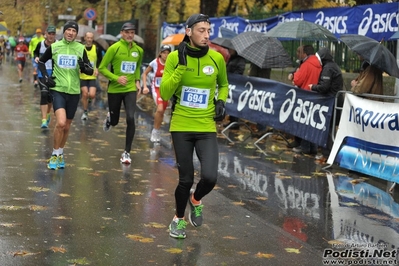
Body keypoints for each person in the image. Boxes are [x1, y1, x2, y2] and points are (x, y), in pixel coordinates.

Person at [160, 13, 229, 239]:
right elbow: (165, 92)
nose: (207, 35)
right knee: (186, 179)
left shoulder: (216, 58)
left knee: (210, 177)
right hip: (181, 125)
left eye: (209, 31)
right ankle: (178, 219)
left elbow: (224, 84)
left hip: (206, 126)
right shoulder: (173, 58)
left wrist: (221, 101)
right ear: (188, 31)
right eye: (201, 30)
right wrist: (180, 66)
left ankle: (196, 199)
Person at [38, 21, 93, 170]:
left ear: (76, 34)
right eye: (68, 30)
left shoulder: (80, 49)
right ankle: (54, 154)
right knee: (61, 122)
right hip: (58, 89)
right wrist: (46, 78)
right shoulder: (55, 47)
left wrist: (84, 67)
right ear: (64, 32)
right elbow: (41, 62)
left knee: (67, 126)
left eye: (73, 31)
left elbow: (89, 70)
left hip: (74, 92)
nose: (70, 33)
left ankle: (61, 152)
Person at [98, 22, 144, 164]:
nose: (130, 35)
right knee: (115, 121)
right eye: (127, 32)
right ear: (122, 33)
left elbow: (137, 67)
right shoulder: (114, 48)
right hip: (115, 89)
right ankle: (110, 118)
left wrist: (137, 81)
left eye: (132, 32)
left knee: (131, 117)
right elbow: (102, 68)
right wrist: (116, 78)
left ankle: (126, 153)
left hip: (130, 89)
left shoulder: (139, 51)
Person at [308, 47, 343, 161]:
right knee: (330, 128)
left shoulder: (328, 68)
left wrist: (313, 87)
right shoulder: (333, 66)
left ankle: (327, 155)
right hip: (335, 101)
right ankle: (330, 154)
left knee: (328, 129)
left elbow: (324, 86)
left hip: (332, 101)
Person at [292, 44, 322, 155]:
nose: (297, 55)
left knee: (304, 122)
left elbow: (298, 80)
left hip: (304, 95)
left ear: (304, 53)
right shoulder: (318, 64)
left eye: (299, 53)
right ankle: (313, 147)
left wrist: (295, 75)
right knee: (312, 123)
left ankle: (304, 147)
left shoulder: (306, 64)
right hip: (315, 95)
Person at [142, 44, 171, 142]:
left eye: (168, 53)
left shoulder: (172, 63)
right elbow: (145, 73)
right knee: (160, 109)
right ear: (160, 53)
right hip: (157, 88)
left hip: (166, 89)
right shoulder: (155, 62)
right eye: (164, 53)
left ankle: (157, 129)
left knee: (162, 111)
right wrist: (145, 86)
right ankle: (155, 131)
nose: (166, 55)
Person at [34, 25, 57, 129]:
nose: (51, 36)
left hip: (54, 73)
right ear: (46, 34)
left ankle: (48, 114)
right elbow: (35, 52)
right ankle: (43, 119)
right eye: (49, 34)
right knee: (43, 93)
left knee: (50, 97)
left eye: (53, 34)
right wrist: (36, 57)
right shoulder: (40, 44)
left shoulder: (58, 45)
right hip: (42, 72)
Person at [80, 31, 103, 120]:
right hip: (83, 75)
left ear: (93, 39)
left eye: (91, 38)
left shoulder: (96, 49)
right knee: (85, 94)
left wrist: (97, 68)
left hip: (92, 75)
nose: (89, 39)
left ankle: (89, 100)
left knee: (92, 95)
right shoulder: (81, 48)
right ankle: (85, 111)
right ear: (85, 38)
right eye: (88, 37)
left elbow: (100, 60)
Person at [223, 47, 246, 130]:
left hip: (236, 84)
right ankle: (231, 121)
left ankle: (235, 122)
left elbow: (240, 70)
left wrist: (232, 76)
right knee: (230, 101)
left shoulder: (240, 60)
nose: (229, 51)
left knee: (234, 102)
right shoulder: (231, 58)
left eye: (231, 49)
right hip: (229, 83)